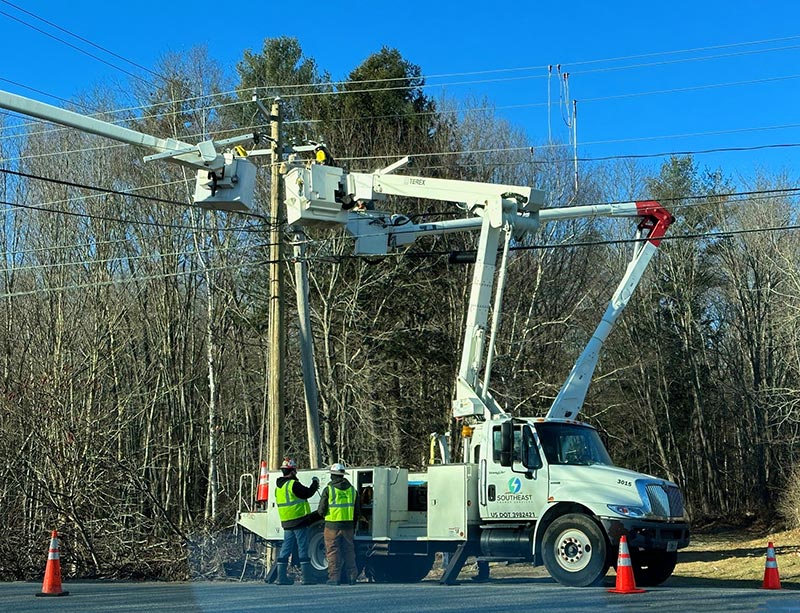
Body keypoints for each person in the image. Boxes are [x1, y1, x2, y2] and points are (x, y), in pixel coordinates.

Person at [274, 457, 320, 585]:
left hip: (287, 522)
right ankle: (306, 578)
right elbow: (307, 493)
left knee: (286, 548)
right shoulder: (293, 484)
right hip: (299, 520)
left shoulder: (279, 487)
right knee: (303, 547)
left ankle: (281, 578)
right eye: (295, 470)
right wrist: (315, 484)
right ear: (292, 471)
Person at [317, 462, 360, 585]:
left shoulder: (328, 490)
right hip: (348, 526)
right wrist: (353, 524)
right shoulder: (352, 490)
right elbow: (357, 511)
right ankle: (352, 577)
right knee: (349, 551)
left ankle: (334, 578)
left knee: (333, 552)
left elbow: (321, 510)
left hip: (331, 526)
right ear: (342, 475)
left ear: (332, 476)